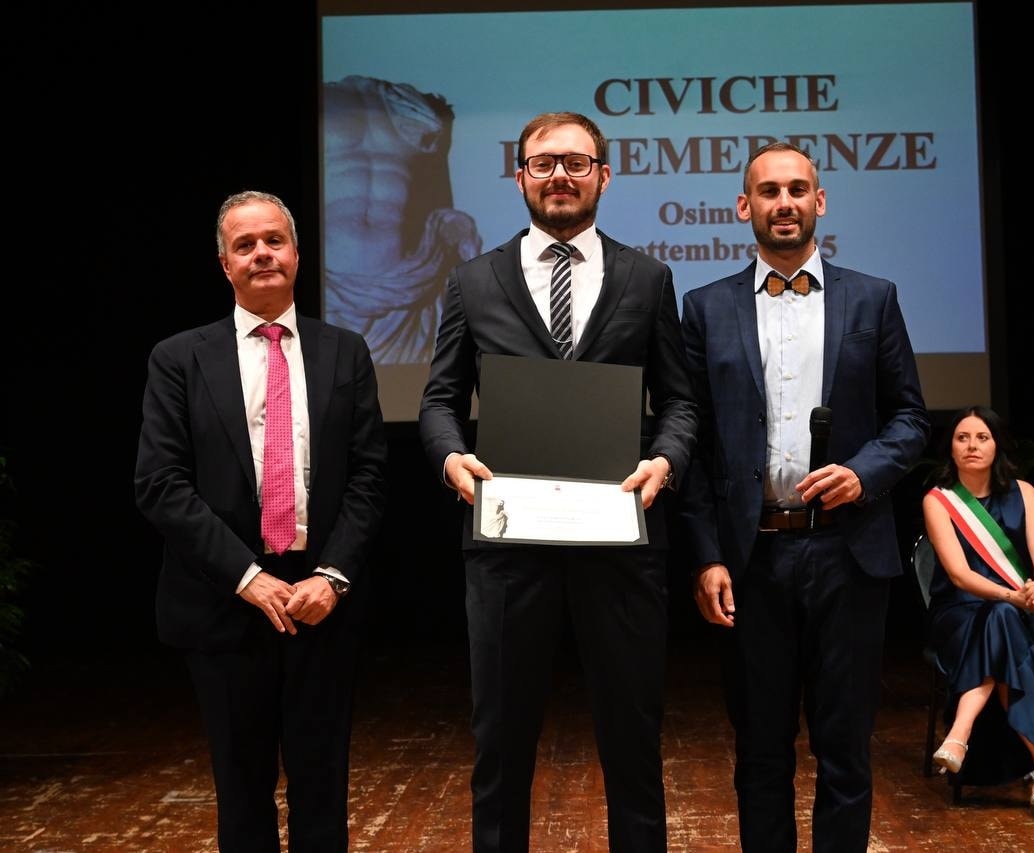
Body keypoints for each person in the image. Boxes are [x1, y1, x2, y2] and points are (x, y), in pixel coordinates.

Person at [419, 112, 697, 853]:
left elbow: (679, 400)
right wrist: (450, 457)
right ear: (520, 178)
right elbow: (440, 400)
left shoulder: (648, 277)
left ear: (604, 175)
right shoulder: (473, 280)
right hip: (509, 542)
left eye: (576, 162)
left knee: (633, 738)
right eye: (543, 163)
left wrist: (666, 460)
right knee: (500, 740)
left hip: (622, 538)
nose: (560, 176)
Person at [679, 141, 929, 852]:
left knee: (845, 746)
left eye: (797, 190)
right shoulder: (704, 308)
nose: (783, 203)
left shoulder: (873, 297)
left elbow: (910, 418)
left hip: (847, 552)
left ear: (819, 201)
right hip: (751, 557)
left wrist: (865, 472)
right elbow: (691, 442)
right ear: (744, 206)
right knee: (760, 748)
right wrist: (706, 555)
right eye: (768, 191)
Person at [134, 190, 388, 851]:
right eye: (244, 245)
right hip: (224, 601)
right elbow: (160, 484)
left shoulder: (346, 351)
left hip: (320, 601)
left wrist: (333, 576)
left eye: (274, 240)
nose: (262, 253)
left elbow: (369, 476)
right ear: (225, 265)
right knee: (241, 792)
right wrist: (246, 576)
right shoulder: (178, 358)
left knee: (322, 785)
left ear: (297, 254)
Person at [921, 406, 1034, 811]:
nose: (972, 446)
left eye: (982, 437)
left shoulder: (1024, 493)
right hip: (959, 613)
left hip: (1018, 610)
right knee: (1001, 618)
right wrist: (1013, 597)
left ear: (997, 445)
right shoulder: (938, 500)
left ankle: (959, 734)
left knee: (1002, 619)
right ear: (950, 447)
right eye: (962, 437)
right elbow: (960, 575)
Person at [324, 75, 483, 364]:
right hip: (336, 285)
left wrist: (443, 228)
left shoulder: (413, 109)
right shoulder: (323, 102)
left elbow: (433, 184)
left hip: (405, 279)